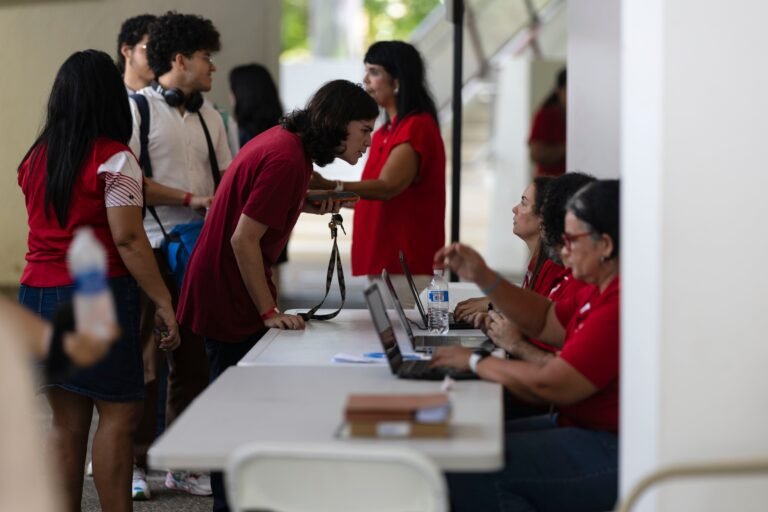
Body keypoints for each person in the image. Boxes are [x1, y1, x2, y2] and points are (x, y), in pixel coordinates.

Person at [177, 79, 379, 512]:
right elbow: (243, 240)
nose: (368, 141)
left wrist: (328, 200)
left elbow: (276, 198)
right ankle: (230, 503)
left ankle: (239, 498)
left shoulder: (290, 147)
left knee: (243, 403)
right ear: (339, 123)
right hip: (227, 291)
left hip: (226, 286)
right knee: (236, 407)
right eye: (365, 129)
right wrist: (268, 311)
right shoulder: (287, 158)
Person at [17, 49, 180, 512]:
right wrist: (163, 299)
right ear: (111, 98)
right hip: (96, 296)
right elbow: (129, 240)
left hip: (38, 295)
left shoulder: (36, 158)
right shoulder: (116, 159)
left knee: (65, 423)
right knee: (120, 415)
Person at [431, 180, 620, 512]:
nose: (563, 251)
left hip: (610, 448)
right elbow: (547, 319)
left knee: (473, 471)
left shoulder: (620, 302)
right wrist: (483, 276)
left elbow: (557, 382)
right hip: (576, 425)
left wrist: (475, 363)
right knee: (465, 445)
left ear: (604, 244)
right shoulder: (597, 286)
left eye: (572, 241)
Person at [128, 10, 231, 498]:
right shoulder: (137, 110)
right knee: (146, 361)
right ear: (180, 59)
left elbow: (228, 182)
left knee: (192, 359)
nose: (212, 67)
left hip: (195, 252)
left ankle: (183, 461)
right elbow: (128, 181)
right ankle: (135, 461)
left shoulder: (212, 116)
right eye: (207, 57)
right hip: (146, 246)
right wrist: (192, 200)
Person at [310, 41, 446, 307]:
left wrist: (331, 185)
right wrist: (321, 196)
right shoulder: (384, 132)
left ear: (397, 80)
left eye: (373, 72)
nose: (365, 80)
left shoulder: (417, 126)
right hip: (382, 260)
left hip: (405, 263)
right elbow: (370, 195)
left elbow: (387, 187)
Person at [484, 172, 596, 362]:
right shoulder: (570, 279)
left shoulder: (569, 278)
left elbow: (561, 373)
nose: (515, 209)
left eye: (524, 203)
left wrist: (476, 362)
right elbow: (540, 324)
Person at [453, 176, 561, 325]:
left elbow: (537, 318)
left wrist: (495, 305)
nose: (514, 209)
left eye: (524, 203)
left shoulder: (552, 267)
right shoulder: (535, 263)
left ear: (543, 217)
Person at [228, 63, 289, 296]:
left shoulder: (242, 135)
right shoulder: (283, 132)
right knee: (271, 281)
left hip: (249, 221)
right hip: (277, 222)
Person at [529, 67, 567, 177]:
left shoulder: (582, 116)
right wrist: (570, 147)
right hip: (550, 186)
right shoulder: (546, 115)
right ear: (559, 91)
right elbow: (536, 153)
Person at [117, 14, 156, 93]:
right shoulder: (110, 96)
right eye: (150, 48)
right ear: (127, 51)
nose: (157, 56)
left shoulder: (169, 95)